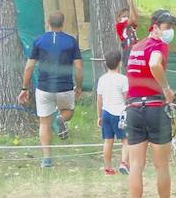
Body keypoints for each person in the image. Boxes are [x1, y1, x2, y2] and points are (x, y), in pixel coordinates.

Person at [119, 9, 176, 198]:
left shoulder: (136, 47)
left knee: (135, 165)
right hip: (155, 108)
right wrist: (166, 89)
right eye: (166, 27)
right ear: (154, 27)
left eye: (172, 27)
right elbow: (154, 64)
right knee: (161, 165)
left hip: (134, 108)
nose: (170, 32)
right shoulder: (158, 46)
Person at [17, 12, 83, 169]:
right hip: (65, 87)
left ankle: (47, 159)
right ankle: (61, 118)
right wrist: (79, 86)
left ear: (48, 22)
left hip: (44, 88)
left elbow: (29, 66)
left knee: (44, 123)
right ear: (63, 23)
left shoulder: (39, 41)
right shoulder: (71, 41)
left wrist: (24, 88)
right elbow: (78, 67)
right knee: (69, 111)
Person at [96, 50, 130, 175]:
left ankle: (108, 167)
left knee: (108, 140)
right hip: (120, 113)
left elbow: (99, 99)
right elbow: (126, 97)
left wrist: (99, 115)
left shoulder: (102, 79)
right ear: (119, 63)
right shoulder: (123, 79)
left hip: (106, 112)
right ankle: (124, 163)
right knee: (125, 140)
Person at [115, 2, 139, 67]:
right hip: (128, 48)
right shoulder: (119, 25)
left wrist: (132, 6)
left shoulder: (131, 25)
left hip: (136, 47)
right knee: (130, 66)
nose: (126, 18)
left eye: (127, 16)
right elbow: (132, 19)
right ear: (118, 18)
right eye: (124, 16)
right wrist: (130, 5)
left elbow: (136, 19)